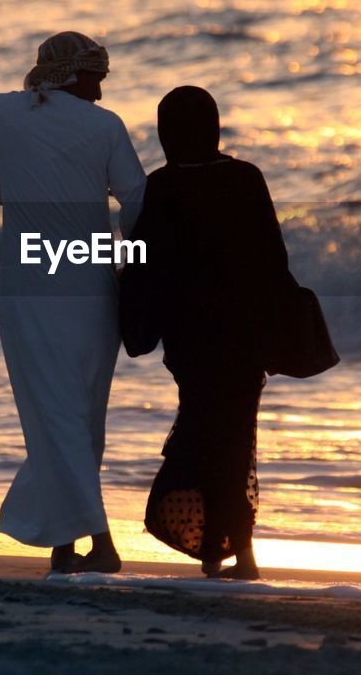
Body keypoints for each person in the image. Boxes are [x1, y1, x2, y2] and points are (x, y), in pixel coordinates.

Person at [0, 31, 146, 573]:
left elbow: (0, 190)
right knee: (78, 414)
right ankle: (98, 541)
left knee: (55, 415)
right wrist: (136, 260)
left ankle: (64, 544)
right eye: (96, 77)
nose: (100, 90)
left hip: (26, 288)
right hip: (89, 287)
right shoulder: (106, 126)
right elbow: (137, 198)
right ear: (75, 74)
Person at [122, 85, 294, 580]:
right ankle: (237, 552)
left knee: (204, 435)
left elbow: (145, 267)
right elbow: (272, 260)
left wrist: (137, 327)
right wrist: (276, 329)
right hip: (243, 338)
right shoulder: (245, 178)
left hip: (191, 341)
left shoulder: (162, 187)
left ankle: (225, 553)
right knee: (235, 439)